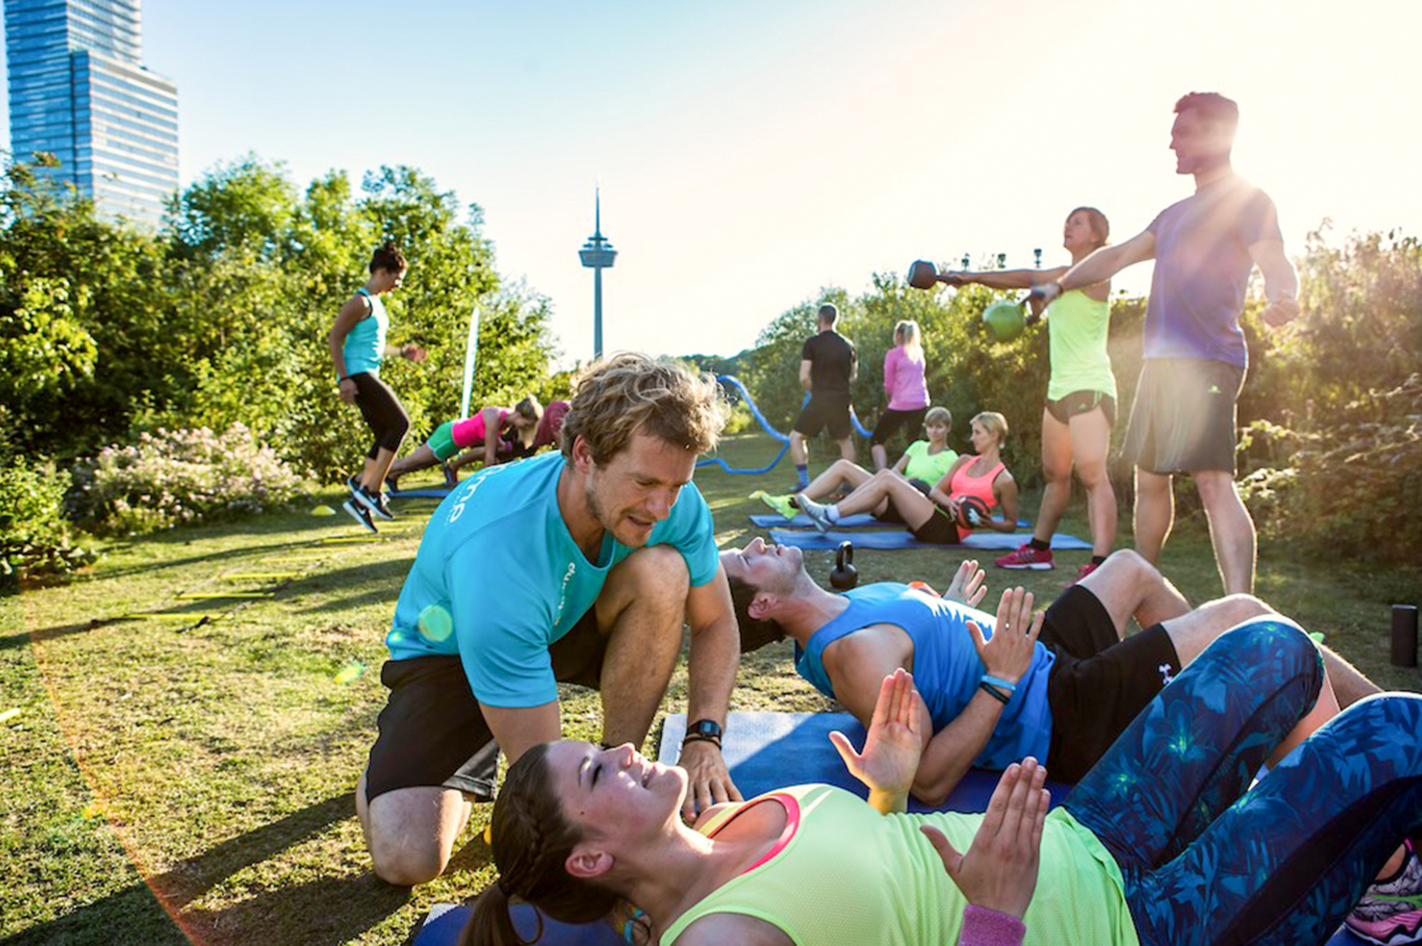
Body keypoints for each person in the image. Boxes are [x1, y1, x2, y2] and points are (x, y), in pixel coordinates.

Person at [461, 627, 1422, 946]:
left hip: (1083, 837)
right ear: (591, 855)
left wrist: (889, 788)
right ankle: (1379, 896)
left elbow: (873, 893)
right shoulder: (725, 936)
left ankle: (1330, 851)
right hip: (1128, 930)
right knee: (1394, 736)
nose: (623, 752)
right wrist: (998, 917)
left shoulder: (733, 821)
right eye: (598, 769)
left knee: (1273, 651)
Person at [355, 354, 743, 887]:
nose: (661, 506)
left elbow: (716, 622)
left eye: (676, 485)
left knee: (663, 572)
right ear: (584, 453)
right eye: (646, 482)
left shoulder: (674, 499)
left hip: (558, 618)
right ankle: (425, 773)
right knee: (408, 859)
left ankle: (613, 764)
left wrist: (704, 738)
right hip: (447, 656)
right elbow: (548, 781)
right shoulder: (501, 552)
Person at [723, 538, 1379, 805]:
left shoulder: (843, 612)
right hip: (1056, 716)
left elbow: (923, 648)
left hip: (1040, 660)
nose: (756, 544)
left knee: (1129, 568)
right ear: (763, 604)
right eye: (746, 560)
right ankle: (1385, 735)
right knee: (1243, 614)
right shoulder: (851, 656)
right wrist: (997, 680)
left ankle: (1206, 701)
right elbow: (925, 779)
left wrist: (947, 607)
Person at [1026, 93, 1300, 595]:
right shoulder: (1171, 215)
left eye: (1185, 132)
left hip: (1208, 361)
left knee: (1213, 481)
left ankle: (1241, 607)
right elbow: (1117, 257)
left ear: (1219, 137)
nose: (1172, 141)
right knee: (1149, 479)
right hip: (1161, 365)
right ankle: (1139, 587)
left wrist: (1284, 295)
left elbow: (1276, 260)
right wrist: (1057, 286)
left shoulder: (1248, 200)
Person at [940, 209, 1118, 578]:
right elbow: (1023, 281)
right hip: (1059, 389)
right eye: (1067, 220)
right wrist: (971, 278)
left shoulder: (1098, 272)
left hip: (1091, 385)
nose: (1068, 225)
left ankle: (1100, 565)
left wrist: (984, 279)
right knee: (1056, 474)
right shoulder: (1059, 280)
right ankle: (1039, 549)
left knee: (1092, 474)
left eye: (1078, 222)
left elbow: (1026, 277)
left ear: (1098, 236)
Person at [796, 412, 1017, 546]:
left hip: (949, 532)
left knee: (888, 479)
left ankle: (830, 514)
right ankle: (828, 513)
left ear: (994, 435)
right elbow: (937, 491)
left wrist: (991, 523)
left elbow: (1011, 524)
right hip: (936, 512)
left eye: (978, 432)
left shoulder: (1004, 480)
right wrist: (950, 502)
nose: (972, 437)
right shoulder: (965, 460)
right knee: (885, 475)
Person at [328, 240, 426, 532]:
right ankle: (368, 490)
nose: (398, 283)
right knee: (400, 423)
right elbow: (335, 338)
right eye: (397, 277)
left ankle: (362, 490)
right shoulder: (359, 301)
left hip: (367, 370)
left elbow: (373, 346)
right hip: (357, 374)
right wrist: (344, 379)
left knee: (386, 431)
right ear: (383, 271)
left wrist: (401, 353)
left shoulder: (376, 304)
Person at [752, 406, 957, 523]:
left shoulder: (952, 459)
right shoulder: (918, 446)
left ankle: (827, 513)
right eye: (930, 426)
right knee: (844, 466)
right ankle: (792, 503)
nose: (934, 431)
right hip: (890, 491)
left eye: (939, 427)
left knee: (884, 476)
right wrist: (906, 480)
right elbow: (895, 472)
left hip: (909, 506)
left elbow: (942, 494)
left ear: (947, 428)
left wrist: (912, 485)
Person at [384, 397, 543, 492]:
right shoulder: (494, 416)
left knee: (418, 465)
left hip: (455, 442)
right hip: (448, 437)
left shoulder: (505, 420)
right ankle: (367, 479)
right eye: (526, 423)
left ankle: (391, 477)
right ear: (519, 414)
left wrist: (503, 447)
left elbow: (494, 443)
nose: (525, 427)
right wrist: (487, 486)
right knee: (411, 462)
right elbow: (489, 455)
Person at [789, 303, 858, 490]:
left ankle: (804, 483)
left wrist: (815, 389)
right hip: (842, 398)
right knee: (844, 440)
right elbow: (853, 376)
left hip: (820, 398)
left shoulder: (812, 343)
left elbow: (804, 377)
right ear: (835, 319)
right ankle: (849, 483)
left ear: (820, 319)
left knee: (796, 437)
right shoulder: (848, 345)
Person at [871, 320, 930, 471]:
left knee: (877, 439)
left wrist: (888, 400)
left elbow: (888, 385)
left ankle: (882, 474)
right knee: (913, 443)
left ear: (898, 335)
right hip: (921, 403)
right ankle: (915, 475)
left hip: (901, 404)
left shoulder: (893, 355)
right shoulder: (919, 353)